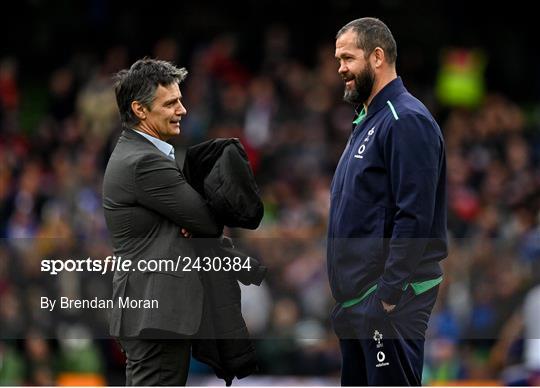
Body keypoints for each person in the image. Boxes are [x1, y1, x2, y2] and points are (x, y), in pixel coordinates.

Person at [327, 18, 448, 385]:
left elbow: (415, 215)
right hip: (359, 306)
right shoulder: (369, 120)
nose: (340, 69)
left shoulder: (405, 119)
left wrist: (387, 296)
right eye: (338, 60)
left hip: (387, 303)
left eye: (348, 58)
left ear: (377, 56)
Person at [102, 58, 222, 386]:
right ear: (140, 110)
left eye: (180, 100)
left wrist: (191, 217)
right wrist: (195, 217)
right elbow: (208, 220)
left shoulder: (140, 154)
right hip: (154, 313)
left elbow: (196, 218)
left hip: (153, 310)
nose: (182, 110)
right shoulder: (144, 161)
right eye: (170, 103)